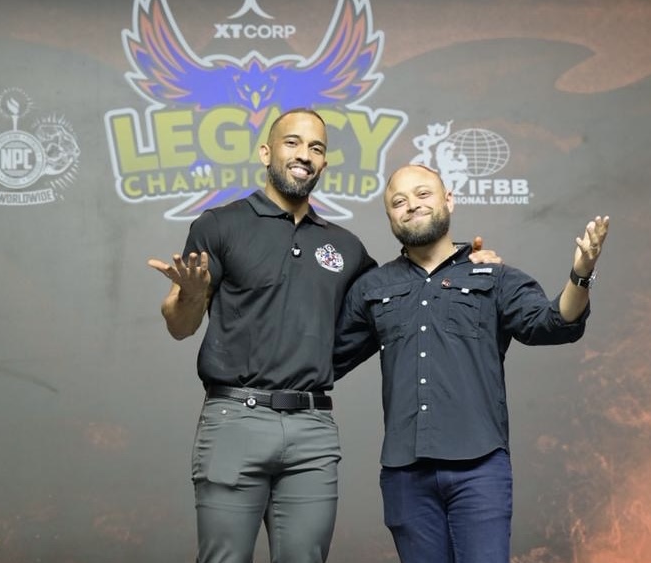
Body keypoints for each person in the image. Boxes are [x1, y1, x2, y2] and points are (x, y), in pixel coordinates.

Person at [147, 109, 498, 563]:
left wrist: (462, 265)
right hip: (234, 419)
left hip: (311, 430)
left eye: (316, 148)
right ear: (266, 153)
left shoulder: (346, 248)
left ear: (324, 164)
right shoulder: (220, 225)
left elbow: (407, 289)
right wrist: (193, 296)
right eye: (292, 142)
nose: (304, 155)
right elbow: (180, 325)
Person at [333, 164, 610, 563]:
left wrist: (580, 275)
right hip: (404, 474)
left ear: (448, 200)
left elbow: (553, 323)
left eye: (423, 194)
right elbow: (326, 359)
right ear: (390, 215)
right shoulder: (373, 288)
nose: (412, 205)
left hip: (479, 469)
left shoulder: (492, 275)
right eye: (399, 201)